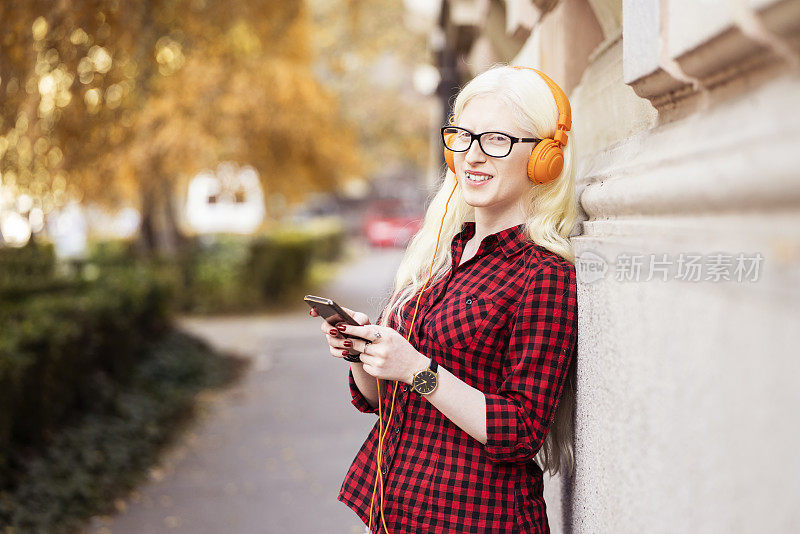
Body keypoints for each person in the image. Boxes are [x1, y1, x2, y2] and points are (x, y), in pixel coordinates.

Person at [310, 64, 578, 534]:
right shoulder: (441, 256)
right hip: (396, 511)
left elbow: (519, 433)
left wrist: (417, 368)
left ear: (544, 159)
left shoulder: (545, 276)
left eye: (496, 140)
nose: (472, 157)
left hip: (476, 519)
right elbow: (381, 398)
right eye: (464, 137)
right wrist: (363, 353)